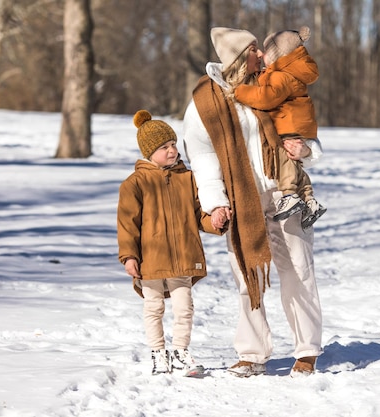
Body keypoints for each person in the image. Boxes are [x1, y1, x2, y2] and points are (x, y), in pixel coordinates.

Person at [182, 27, 323, 377]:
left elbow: (305, 125)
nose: (262, 55)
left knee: (299, 271)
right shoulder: (204, 101)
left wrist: (306, 151)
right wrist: (215, 203)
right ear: (237, 57)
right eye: (254, 49)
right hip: (242, 200)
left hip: (284, 192)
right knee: (249, 276)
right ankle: (252, 352)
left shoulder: (274, 82)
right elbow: (201, 157)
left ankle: (307, 351)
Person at [117, 110, 224, 377]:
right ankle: (158, 353)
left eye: (174, 144)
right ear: (149, 152)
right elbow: (127, 223)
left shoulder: (187, 179)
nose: (172, 150)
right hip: (150, 259)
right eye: (164, 147)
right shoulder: (135, 184)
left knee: (184, 308)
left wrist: (216, 222)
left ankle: (180, 351)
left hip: (184, 256)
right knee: (154, 308)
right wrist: (129, 256)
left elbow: (201, 214)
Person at [234, 26, 326, 229]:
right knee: (296, 164)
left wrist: (240, 92)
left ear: (276, 55)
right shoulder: (291, 72)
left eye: (265, 52)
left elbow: (265, 98)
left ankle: (290, 194)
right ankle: (309, 200)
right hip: (299, 124)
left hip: (288, 123)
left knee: (285, 158)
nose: (261, 55)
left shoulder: (281, 76)